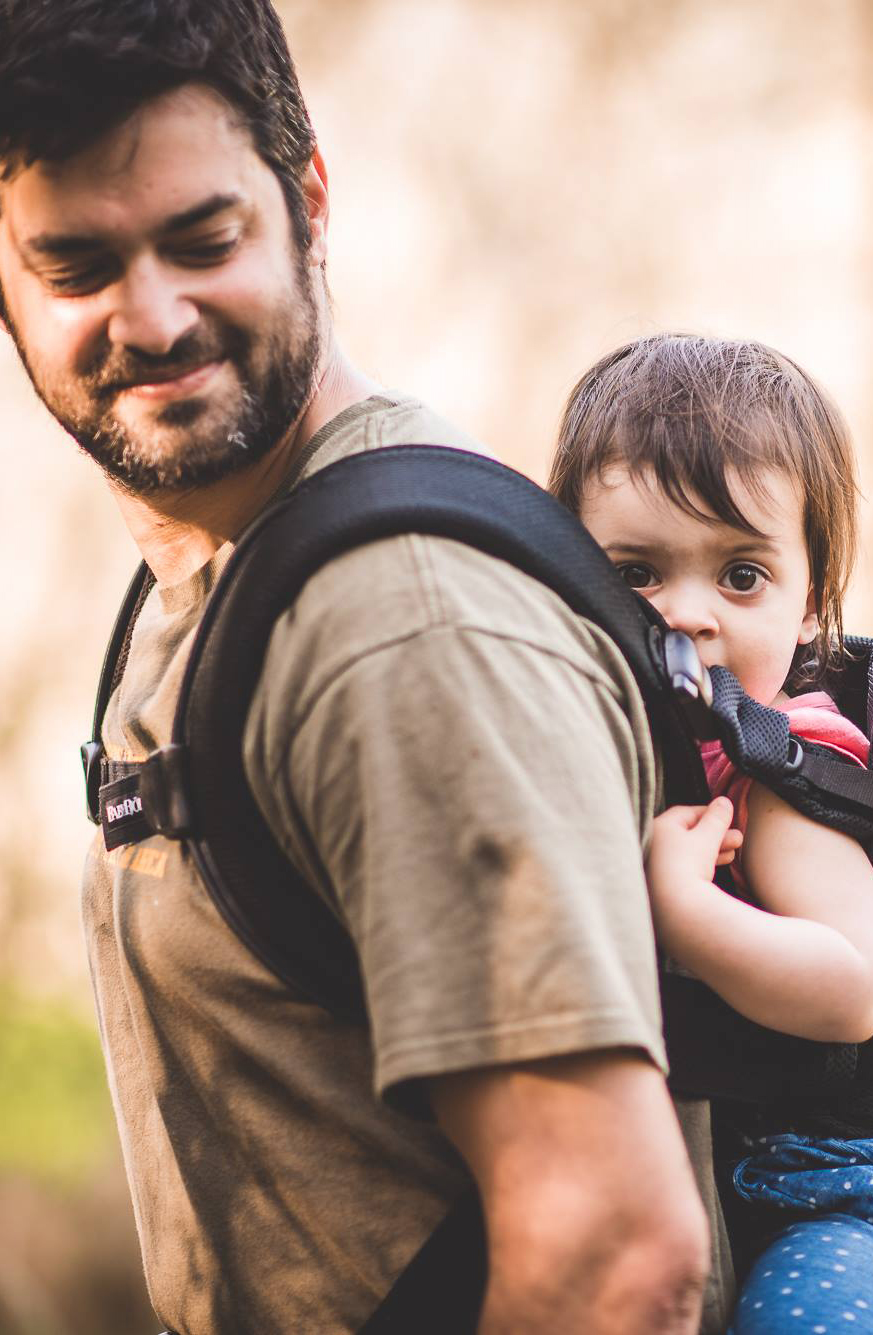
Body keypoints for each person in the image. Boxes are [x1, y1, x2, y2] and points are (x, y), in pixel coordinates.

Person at [0, 5, 730, 1332]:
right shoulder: (204, 582)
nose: (152, 316)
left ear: (309, 199)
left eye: (203, 240)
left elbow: (615, 1256)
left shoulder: (398, 628)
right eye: (78, 265)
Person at [548, 332, 873, 1335]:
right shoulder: (603, 744)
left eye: (741, 577)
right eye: (637, 573)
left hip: (825, 1191)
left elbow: (854, 986)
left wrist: (684, 910)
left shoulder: (781, 761)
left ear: (810, 599)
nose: (688, 613)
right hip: (679, 1174)